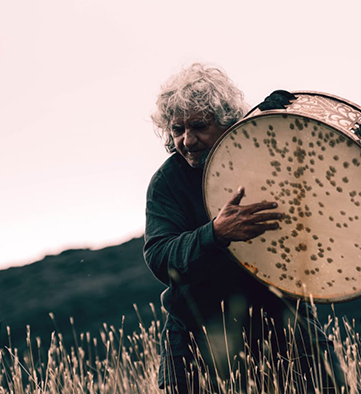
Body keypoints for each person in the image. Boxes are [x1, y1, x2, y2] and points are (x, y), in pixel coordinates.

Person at [144, 63, 346, 393]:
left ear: (227, 123)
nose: (187, 140)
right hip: (199, 343)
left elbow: (322, 220)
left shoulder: (268, 158)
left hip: (286, 326)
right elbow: (159, 257)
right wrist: (214, 234)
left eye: (198, 126)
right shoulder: (168, 183)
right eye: (177, 129)